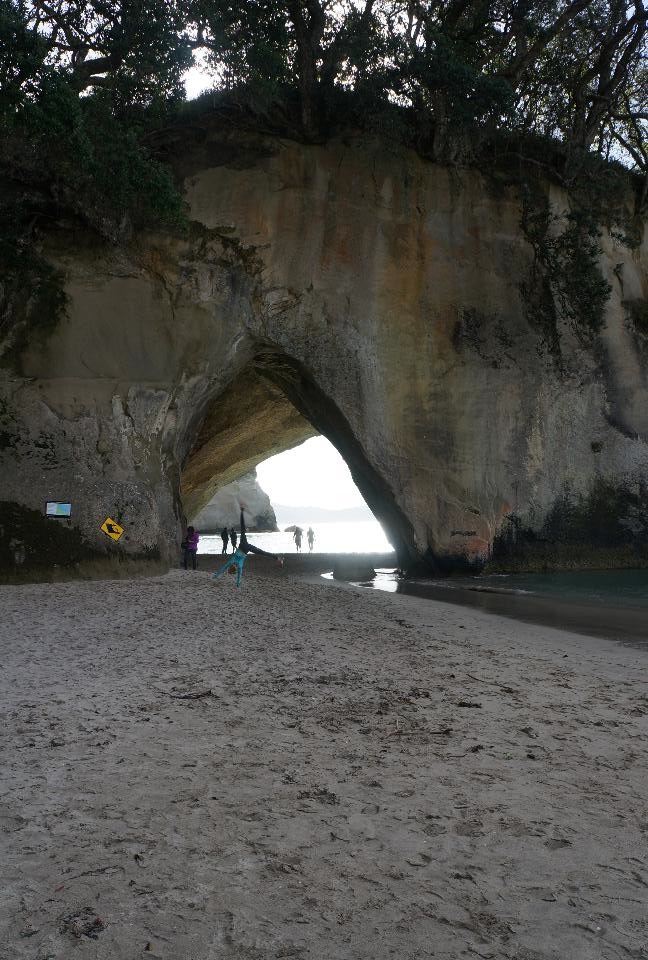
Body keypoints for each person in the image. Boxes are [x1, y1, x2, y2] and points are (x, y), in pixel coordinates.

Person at [212, 507, 283, 587]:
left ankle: (277, 558)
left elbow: (238, 574)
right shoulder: (232, 561)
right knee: (243, 529)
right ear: (232, 567)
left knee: (262, 552)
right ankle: (242, 512)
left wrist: (237, 583)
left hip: (247, 548)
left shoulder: (239, 565)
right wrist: (216, 576)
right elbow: (224, 568)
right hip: (243, 544)